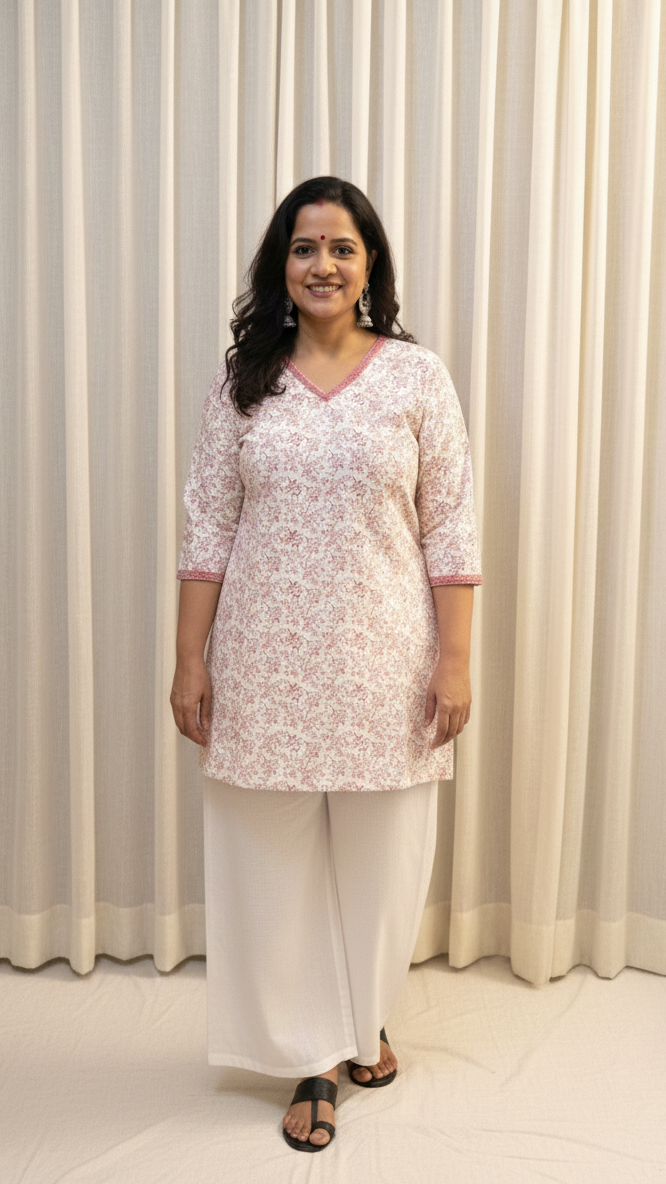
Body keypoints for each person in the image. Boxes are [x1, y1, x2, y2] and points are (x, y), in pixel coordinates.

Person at [170, 175, 482, 1153]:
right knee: (275, 864)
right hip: (264, 660)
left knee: (384, 864)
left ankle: (362, 1015)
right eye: (304, 247)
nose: (323, 264)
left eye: (342, 247)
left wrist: (456, 660)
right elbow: (208, 524)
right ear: (282, 265)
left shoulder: (417, 377)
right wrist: (189, 659)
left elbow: (451, 525)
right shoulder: (244, 384)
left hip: (387, 659)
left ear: (369, 263)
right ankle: (313, 1056)